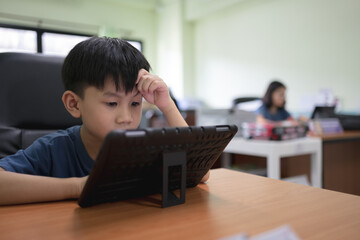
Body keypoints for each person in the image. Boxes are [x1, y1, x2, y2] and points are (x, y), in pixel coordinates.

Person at [0, 37, 209, 205]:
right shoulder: (54, 149)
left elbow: (200, 173)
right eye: (111, 103)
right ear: (74, 103)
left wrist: (167, 104)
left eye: (135, 104)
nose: (126, 118)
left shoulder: (144, 146)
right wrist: (78, 187)